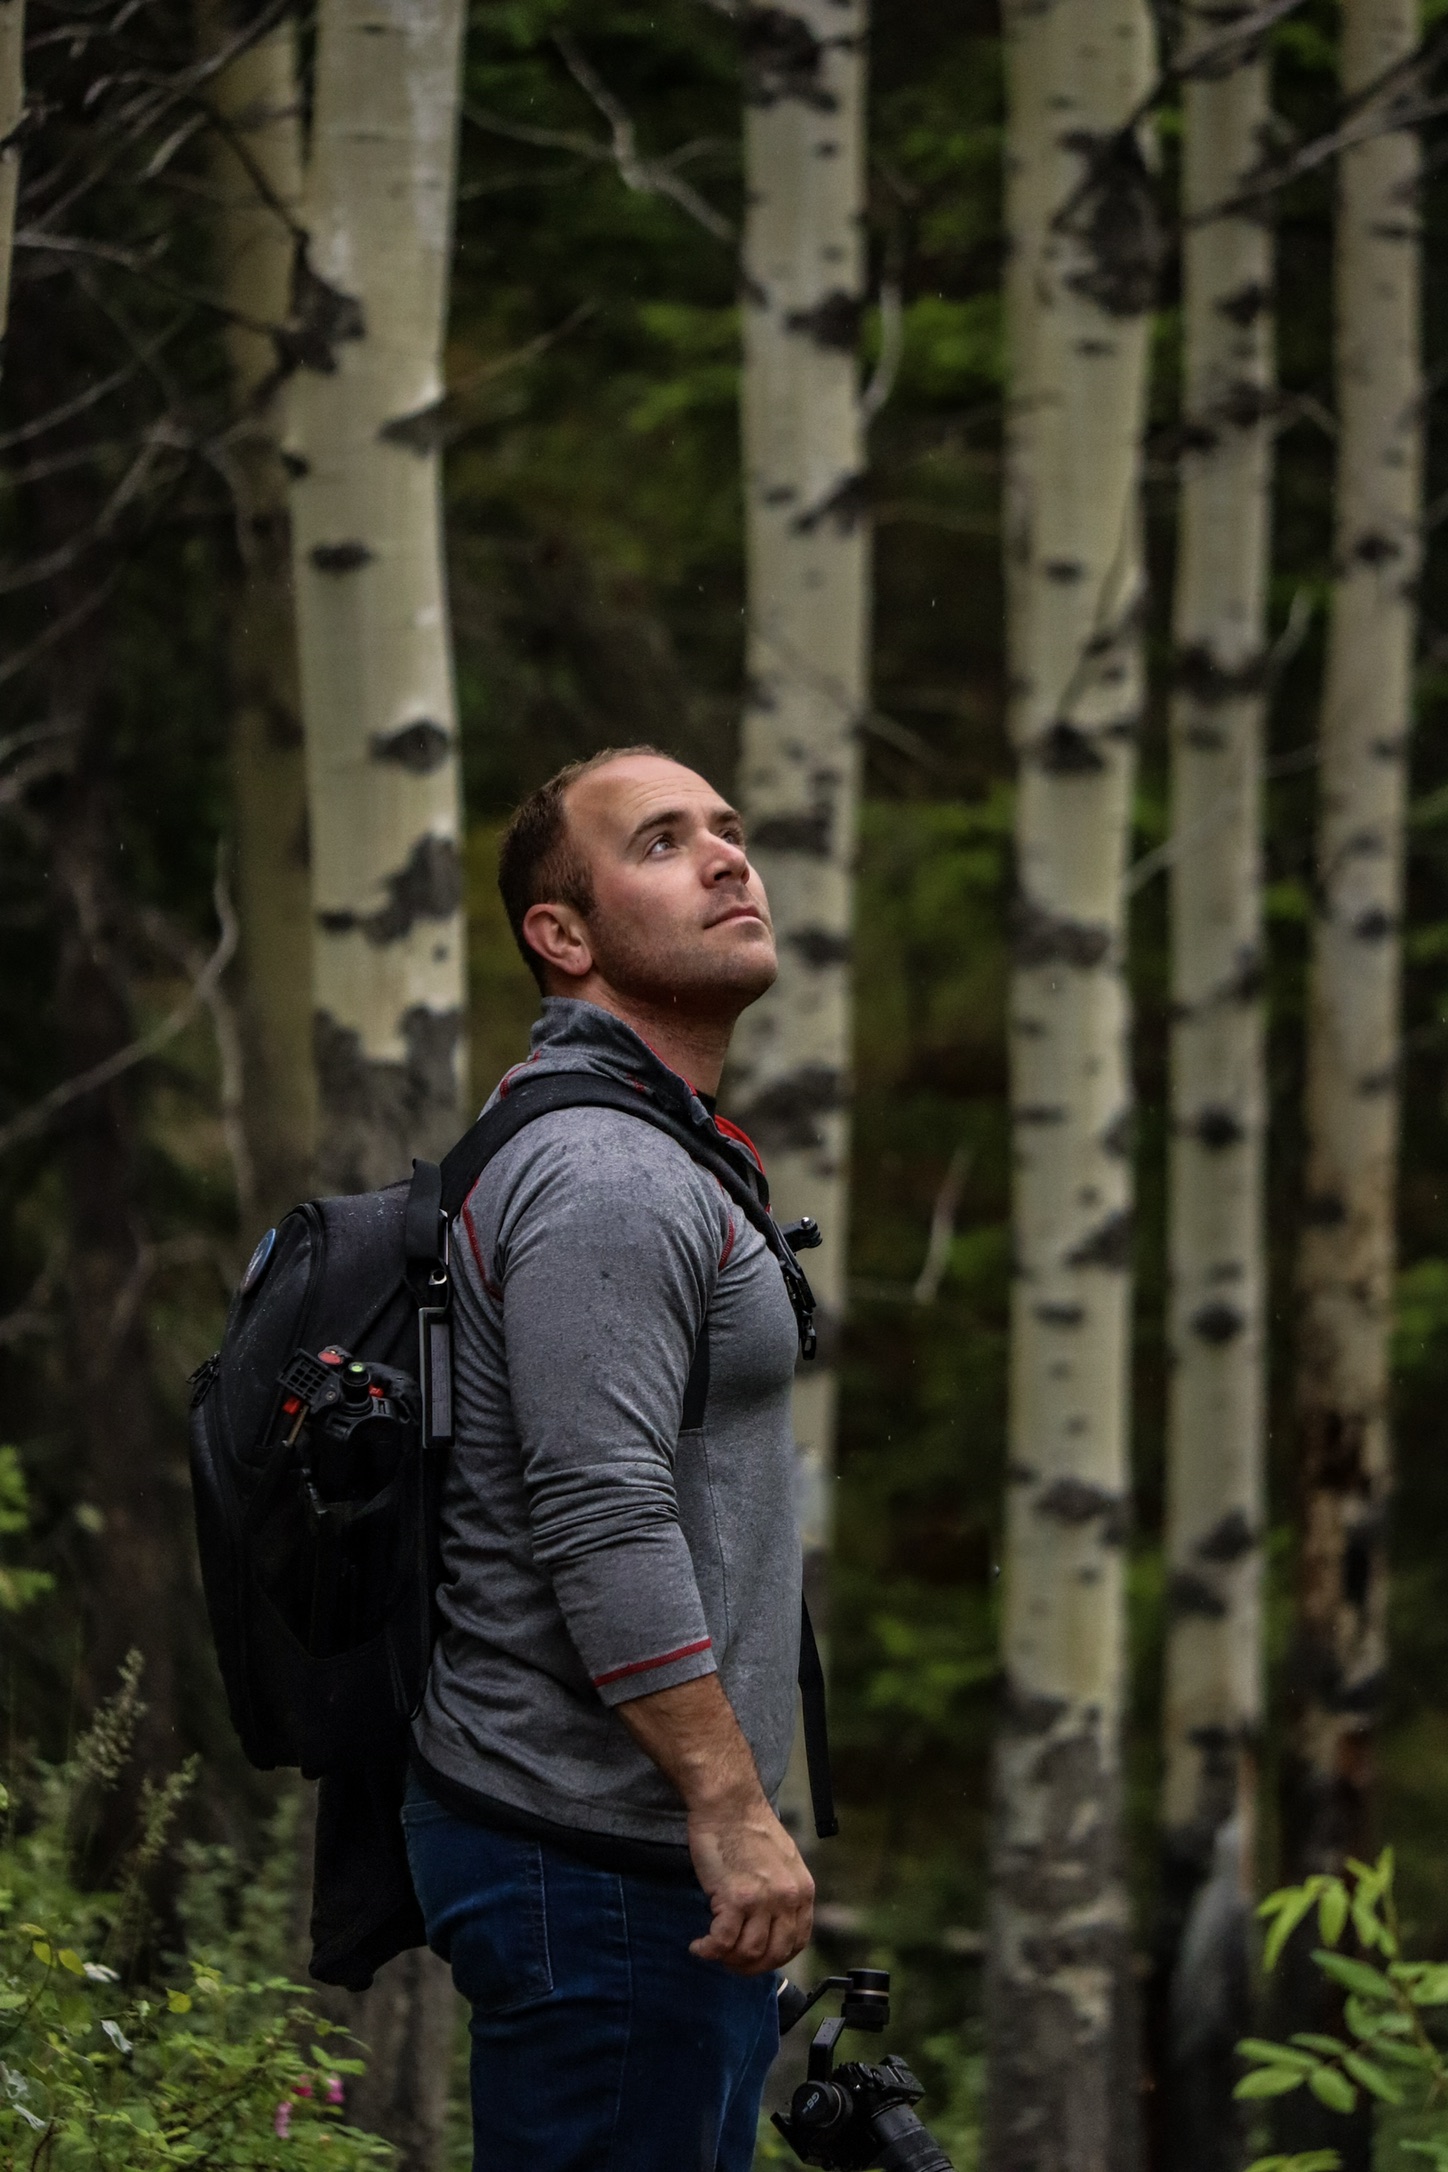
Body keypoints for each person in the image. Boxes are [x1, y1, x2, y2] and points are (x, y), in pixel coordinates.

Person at [404, 746, 817, 2172]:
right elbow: (601, 1513)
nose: (726, 857)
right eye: (661, 840)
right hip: (598, 1856)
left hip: (614, 1855)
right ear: (561, 935)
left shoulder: (641, 1146)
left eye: (728, 829)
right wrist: (729, 1807)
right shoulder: (605, 1172)